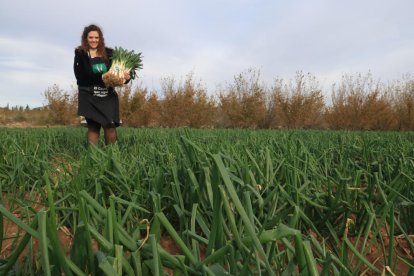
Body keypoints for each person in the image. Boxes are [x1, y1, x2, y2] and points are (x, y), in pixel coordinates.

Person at [74, 24, 130, 145]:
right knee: (93, 127)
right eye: (91, 37)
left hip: (107, 95)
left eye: (96, 37)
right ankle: (93, 158)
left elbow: (118, 73)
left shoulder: (110, 53)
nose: (94, 40)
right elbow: (80, 76)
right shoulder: (80, 54)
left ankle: (112, 156)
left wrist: (125, 78)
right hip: (89, 94)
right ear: (86, 38)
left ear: (100, 38)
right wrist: (102, 77)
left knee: (110, 125)